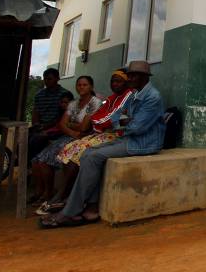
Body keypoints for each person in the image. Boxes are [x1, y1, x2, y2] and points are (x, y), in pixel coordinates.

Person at [40, 60, 165, 229]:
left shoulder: (152, 97)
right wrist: (123, 122)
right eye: (129, 75)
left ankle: (70, 212)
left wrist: (123, 122)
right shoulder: (135, 94)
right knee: (87, 153)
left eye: (133, 76)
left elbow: (137, 127)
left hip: (143, 143)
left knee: (93, 157)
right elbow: (117, 117)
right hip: (128, 137)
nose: (129, 79)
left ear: (144, 77)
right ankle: (91, 207)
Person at [36, 70, 137, 215]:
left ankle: (63, 196)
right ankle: (63, 195)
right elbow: (97, 119)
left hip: (116, 136)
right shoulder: (111, 98)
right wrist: (97, 123)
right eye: (112, 81)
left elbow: (100, 121)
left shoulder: (128, 97)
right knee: (69, 149)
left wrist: (97, 123)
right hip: (103, 133)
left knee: (80, 150)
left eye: (118, 81)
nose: (114, 84)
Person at [31, 76, 101, 205]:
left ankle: (51, 194)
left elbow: (84, 127)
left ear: (91, 87)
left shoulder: (94, 102)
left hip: (84, 138)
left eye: (85, 85)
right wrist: (73, 130)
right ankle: (44, 192)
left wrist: (70, 125)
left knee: (51, 159)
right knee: (38, 160)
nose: (81, 87)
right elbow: (61, 124)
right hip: (71, 136)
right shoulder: (73, 103)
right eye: (79, 85)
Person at [28, 68, 73, 164]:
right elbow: (36, 112)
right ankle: (23, 162)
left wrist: (46, 127)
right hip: (41, 126)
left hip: (56, 128)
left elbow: (63, 117)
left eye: (49, 79)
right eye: (45, 79)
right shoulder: (39, 95)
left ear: (57, 79)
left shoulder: (64, 95)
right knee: (24, 136)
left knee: (36, 140)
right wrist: (36, 125)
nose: (46, 81)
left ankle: (33, 164)